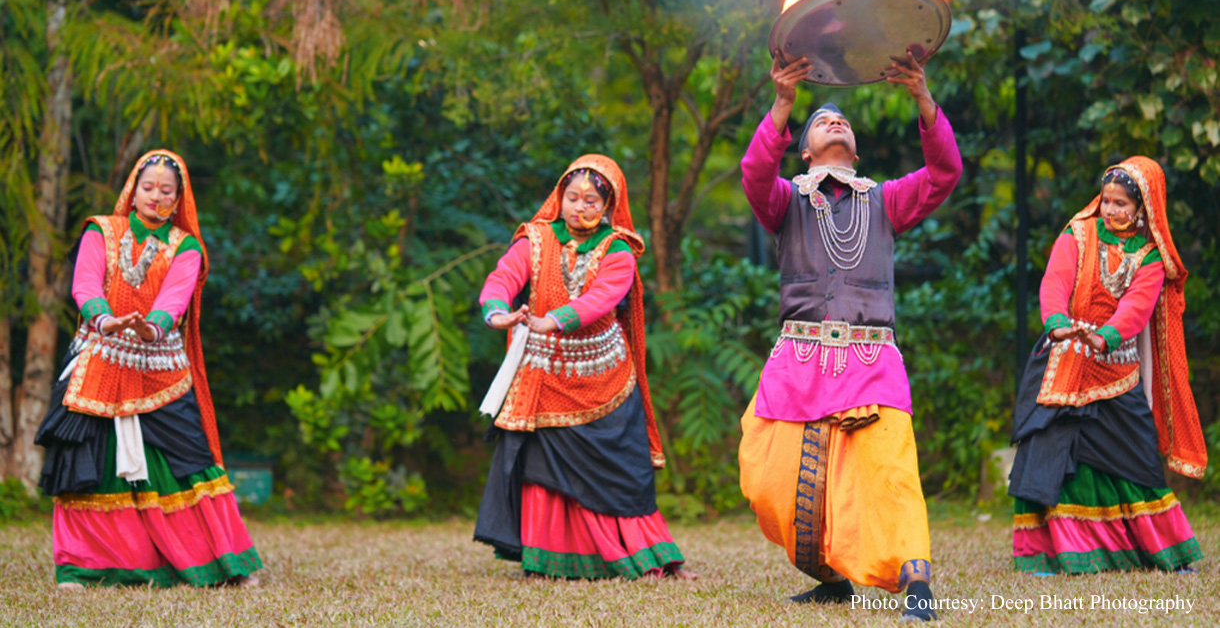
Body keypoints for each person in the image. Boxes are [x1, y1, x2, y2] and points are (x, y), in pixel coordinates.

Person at [737, 51, 961, 621]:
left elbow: (944, 175)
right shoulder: (785, 200)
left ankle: (916, 585)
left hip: (871, 360)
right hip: (798, 358)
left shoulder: (884, 200)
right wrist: (784, 103)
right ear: (805, 150)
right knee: (768, 478)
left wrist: (922, 98)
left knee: (888, 472)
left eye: (842, 121)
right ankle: (833, 578)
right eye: (821, 122)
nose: (834, 121)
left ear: (856, 150)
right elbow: (755, 174)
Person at [35, 150, 262, 588]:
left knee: (189, 461)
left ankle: (219, 563)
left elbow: (173, 301)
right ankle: (82, 569)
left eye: (166, 191)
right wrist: (107, 320)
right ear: (132, 189)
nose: (155, 197)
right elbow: (83, 284)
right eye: (148, 187)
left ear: (178, 200)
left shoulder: (186, 246)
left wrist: (148, 329)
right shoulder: (100, 230)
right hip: (98, 358)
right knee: (87, 462)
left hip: (159, 365)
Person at [473, 154, 692, 580]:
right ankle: (545, 562)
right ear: (560, 197)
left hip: (607, 380)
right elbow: (503, 277)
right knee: (542, 471)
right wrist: (497, 311)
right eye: (572, 197)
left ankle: (643, 557)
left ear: (609, 205)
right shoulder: (535, 239)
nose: (579, 206)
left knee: (624, 475)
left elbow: (602, 299)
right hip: (544, 378)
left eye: (592, 200)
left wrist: (553, 320)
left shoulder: (618, 250)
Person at [1009, 156, 1205, 574]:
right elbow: (1055, 281)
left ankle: (1162, 551)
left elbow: (1137, 307)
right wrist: (1057, 324)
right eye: (1108, 201)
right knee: (1046, 448)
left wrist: (1107, 336)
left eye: (1122, 204)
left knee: (1139, 460)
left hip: (1117, 368)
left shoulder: (1150, 257)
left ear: (1143, 209)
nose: (1112, 210)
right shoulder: (1078, 234)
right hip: (1065, 363)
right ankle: (1048, 554)